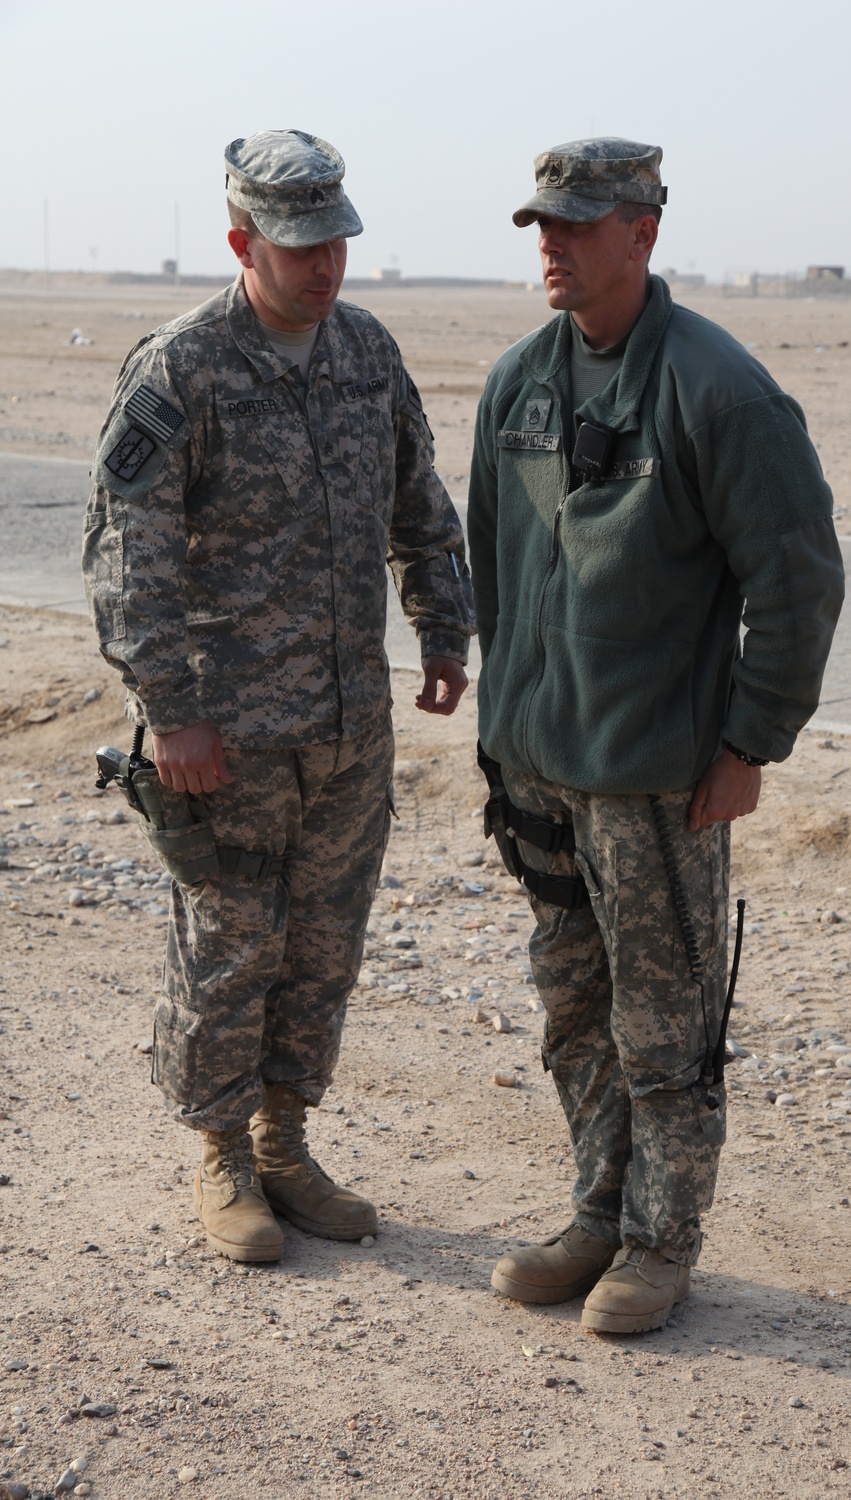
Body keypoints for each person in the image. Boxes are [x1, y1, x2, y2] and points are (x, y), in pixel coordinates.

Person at [467, 138, 844, 1334]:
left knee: (664, 1024)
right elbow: (494, 562)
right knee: (572, 1008)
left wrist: (749, 747)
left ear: (644, 231)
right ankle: (595, 1211)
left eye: (579, 225)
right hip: (539, 767)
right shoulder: (518, 381)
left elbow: (796, 585)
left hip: (654, 781)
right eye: (542, 226)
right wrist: (499, 727)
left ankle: (659, 1241)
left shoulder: (720, 391)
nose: (553, 247)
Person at [82, 130, 473, 1264]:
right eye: (299, 247)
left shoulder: (365, 352)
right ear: (242, 242)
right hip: (227, 738)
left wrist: (441, 627)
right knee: (230, 942)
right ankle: (219, 1153)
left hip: (350, 725)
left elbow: (418, 500)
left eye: (336, 242)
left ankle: (285, 1140)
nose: (324, 266)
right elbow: (127, 550)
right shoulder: (182, 367)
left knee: (323, 945)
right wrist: (169, 709)